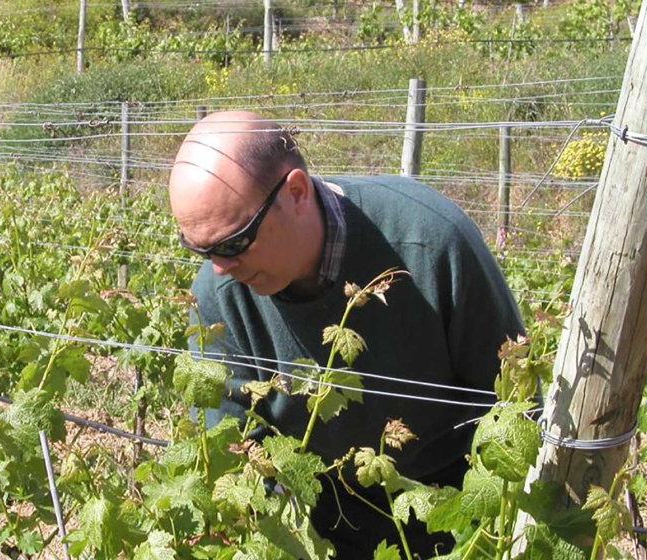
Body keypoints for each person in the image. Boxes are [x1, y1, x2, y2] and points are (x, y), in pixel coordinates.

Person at [168, 110, 524, 558]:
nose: (220, 267)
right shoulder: (220, 291)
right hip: (317, 529)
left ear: (296, 192)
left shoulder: (430, 243)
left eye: (234, 242)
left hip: (457, 524)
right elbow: (232, 445)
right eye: (199, 248)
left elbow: (511, 409)